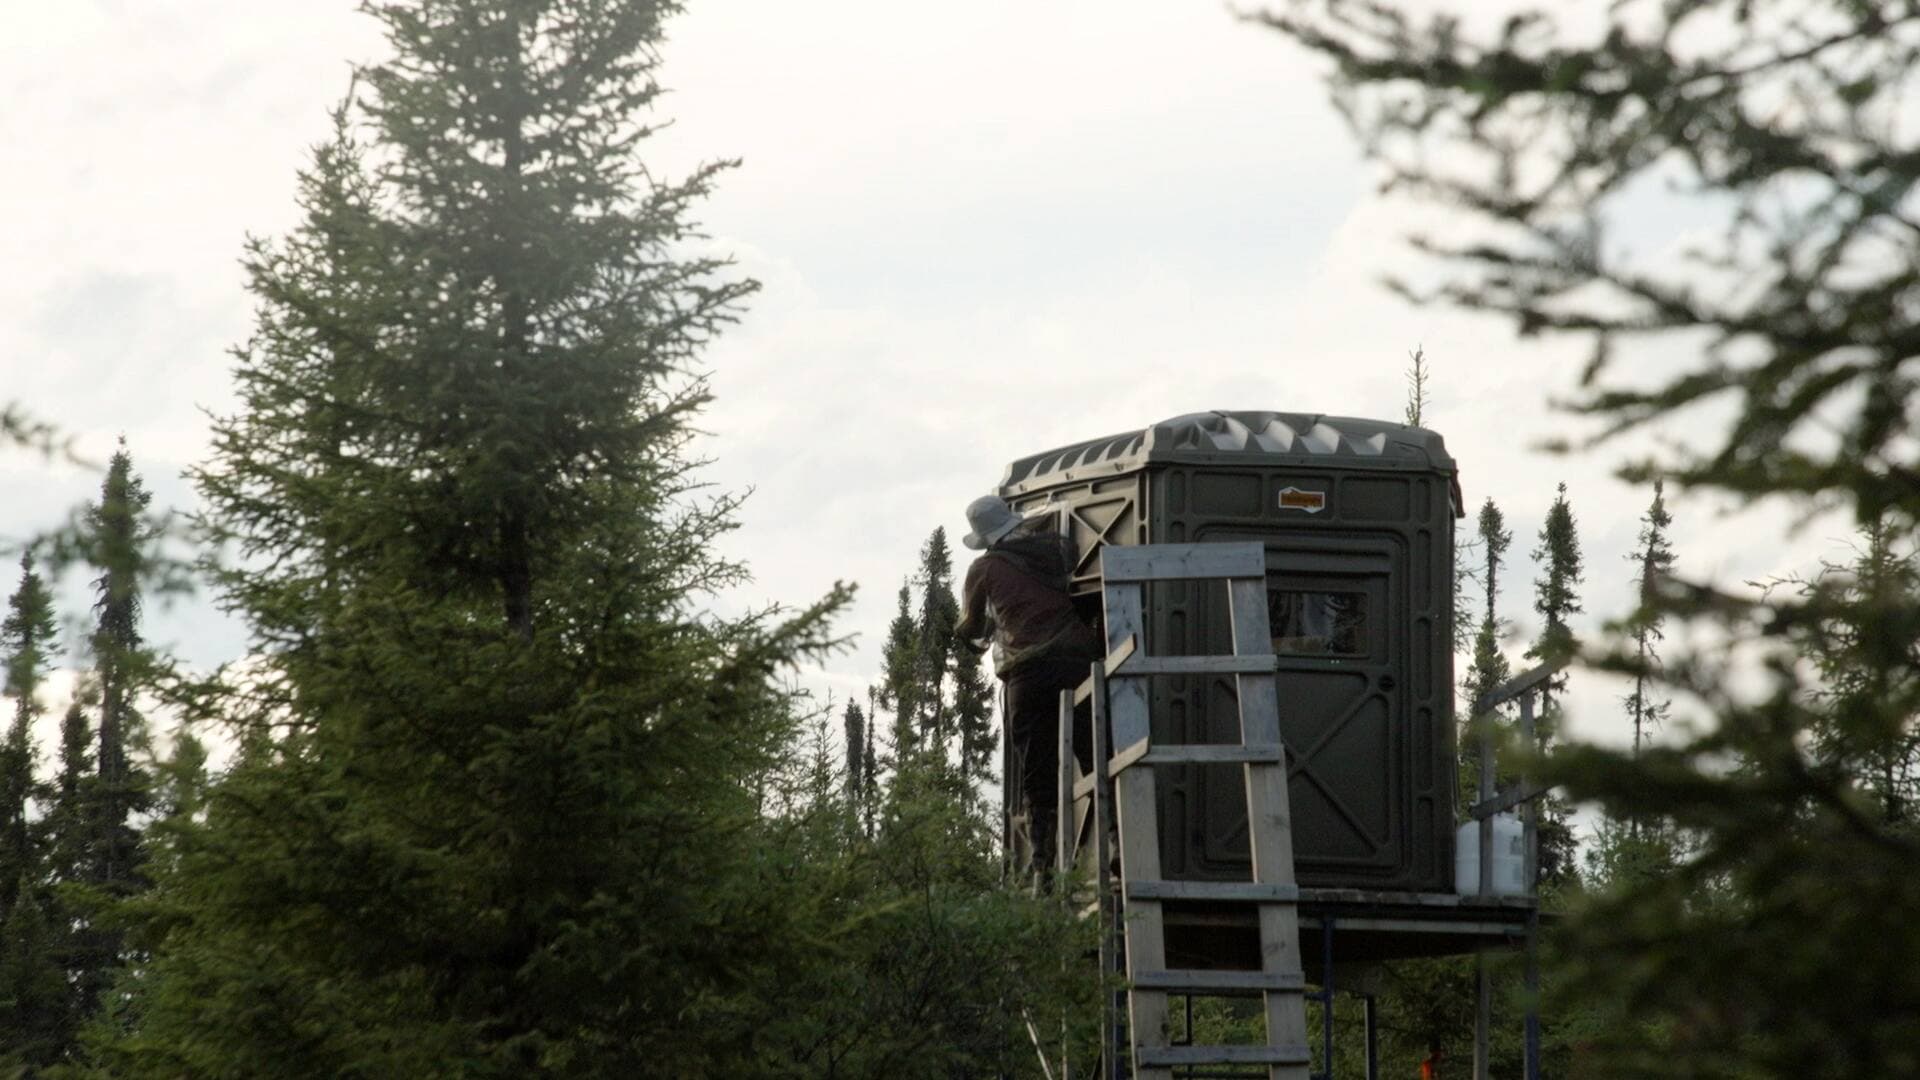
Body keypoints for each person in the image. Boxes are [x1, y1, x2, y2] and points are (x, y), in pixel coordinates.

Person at [954, 494, 1103, 876]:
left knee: (1037, 768)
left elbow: (972, 627)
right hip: (1077, 661)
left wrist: (975, 625)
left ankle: (1042, 865)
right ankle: (1116, 840)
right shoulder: (1051, 553)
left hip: (1028, 672)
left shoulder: (984, 568)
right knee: (1093, 753)